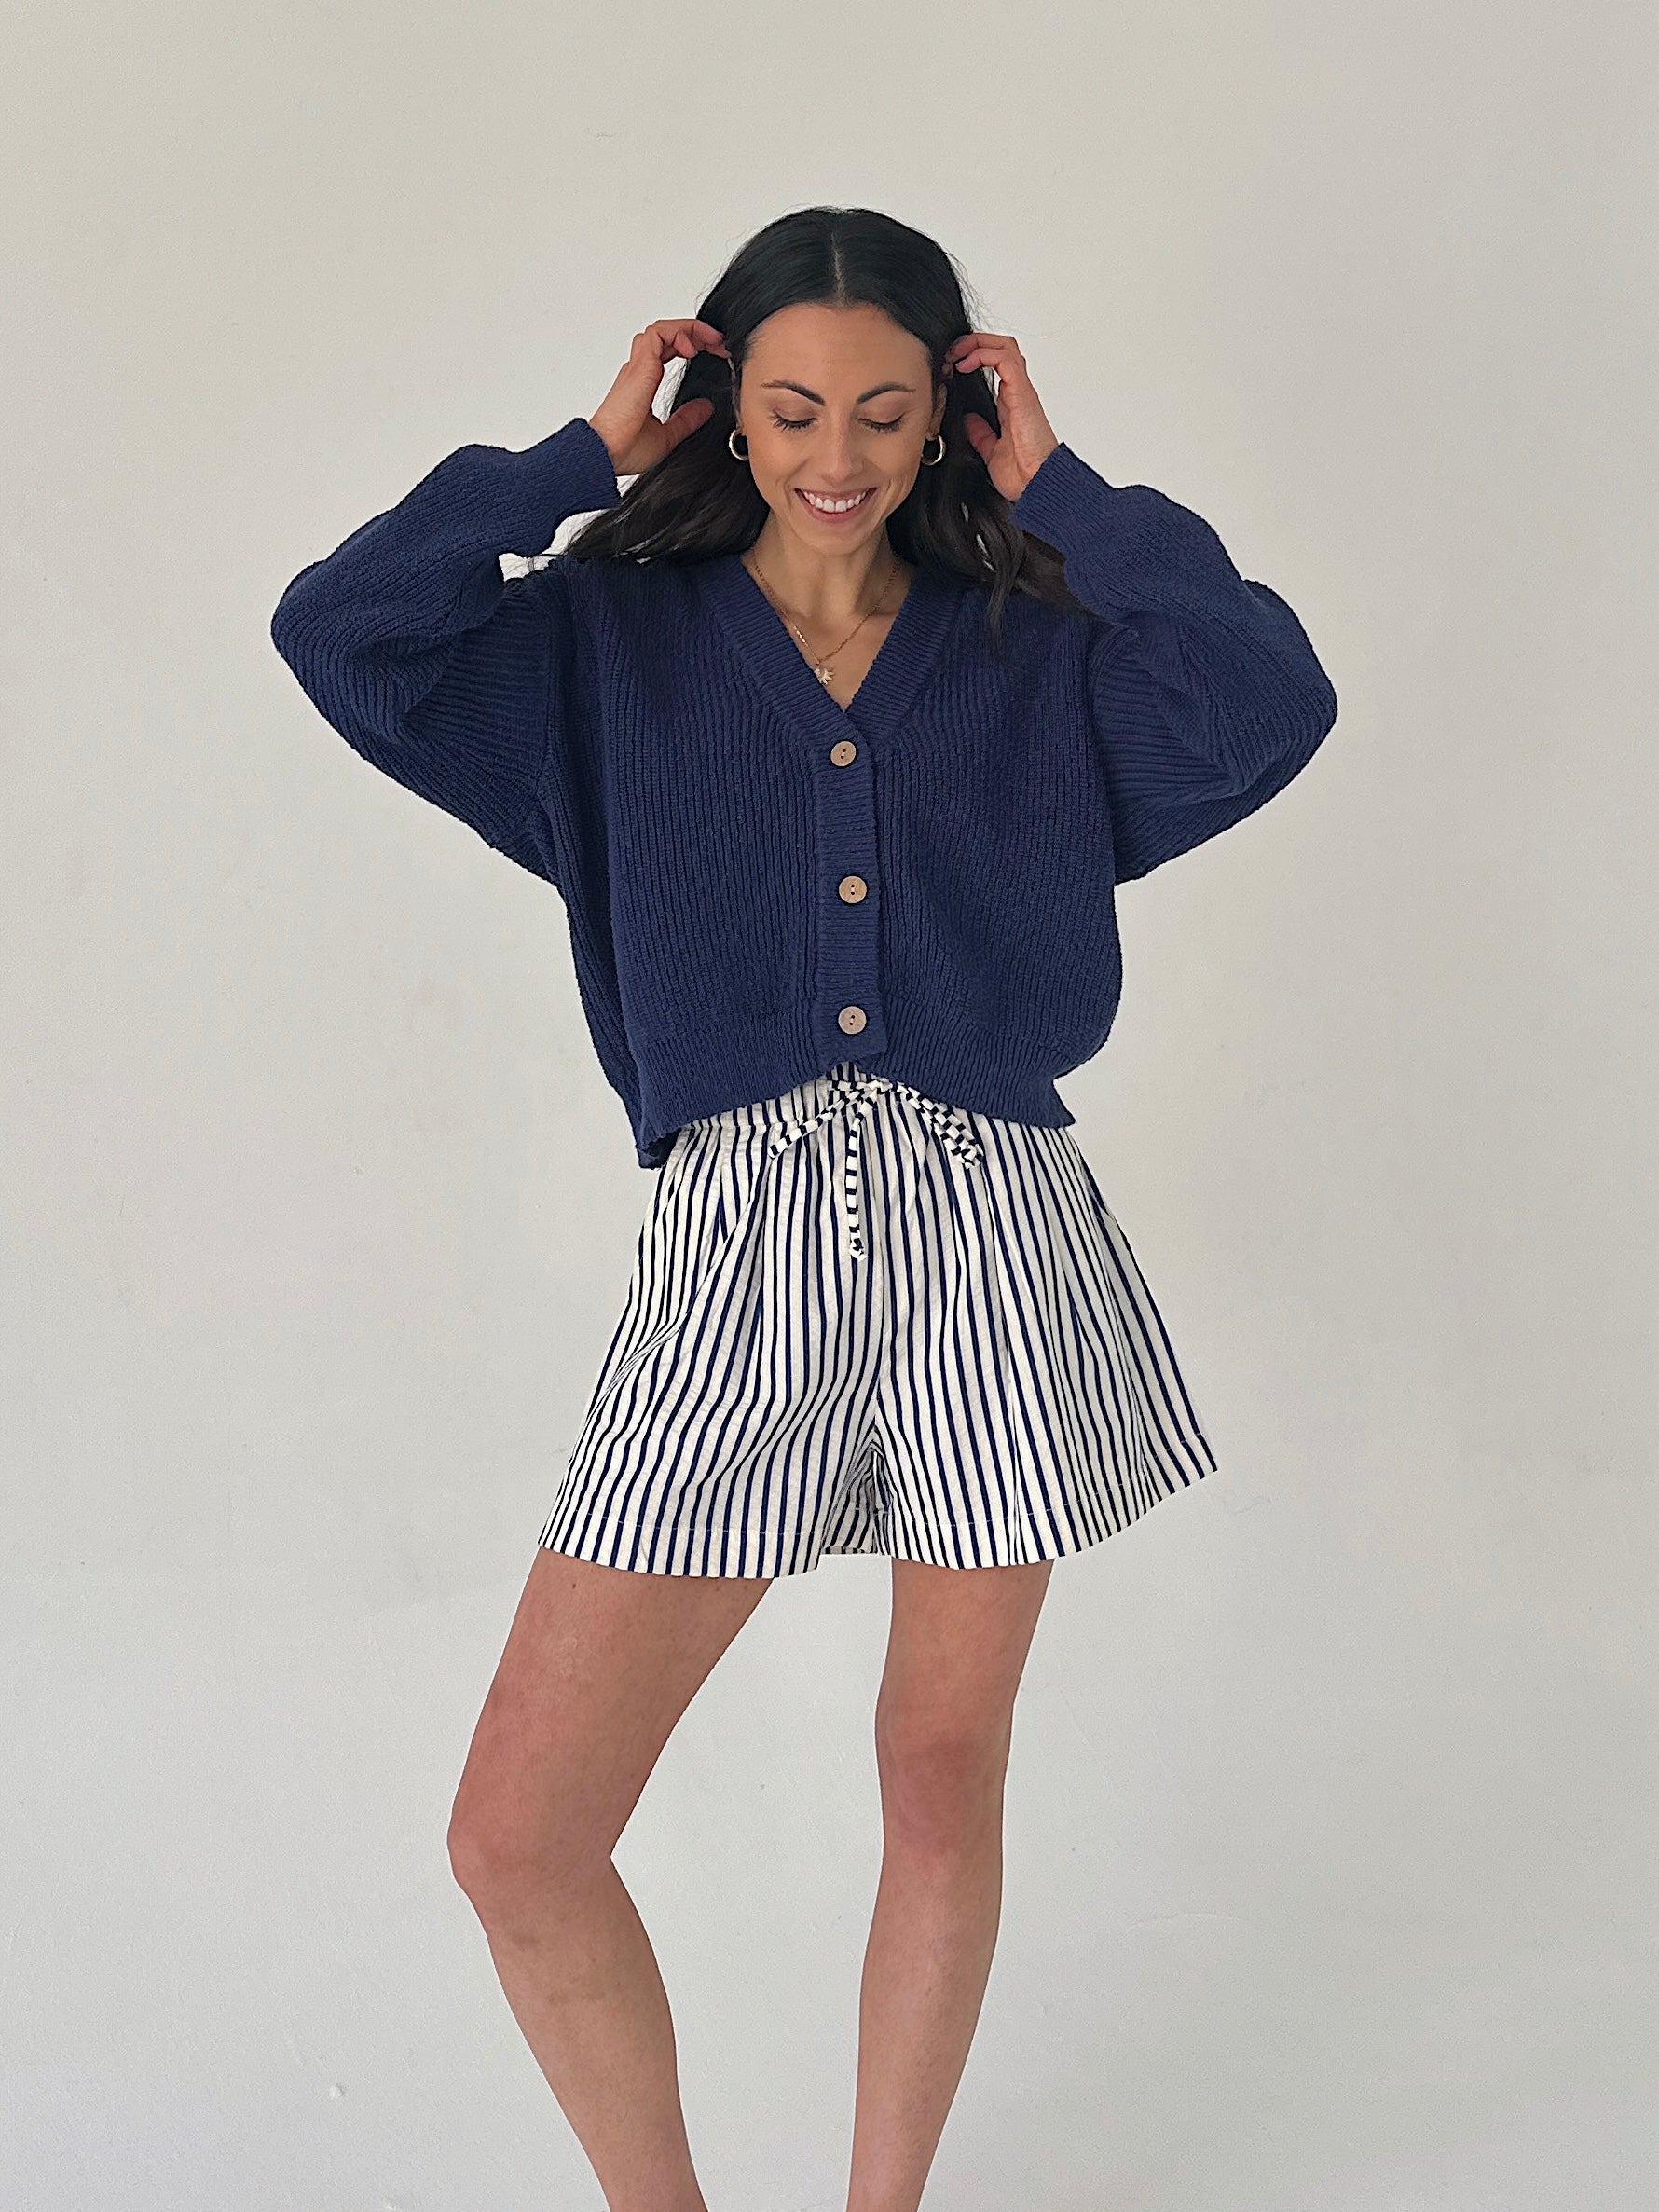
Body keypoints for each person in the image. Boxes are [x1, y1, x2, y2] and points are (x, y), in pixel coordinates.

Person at [269, 203, 1337, 2212]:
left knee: (936, 1775)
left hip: (994, 1242)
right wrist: (577, 461)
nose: (831, 451)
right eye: (781, 410)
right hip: (736, 1250)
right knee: (518, 1831)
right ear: (719, 411)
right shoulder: (600, 651)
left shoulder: (1034, 653)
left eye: (879, 407)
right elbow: (341, 629)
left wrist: (1068, 491)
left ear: (949, 408)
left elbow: (1263, 702)